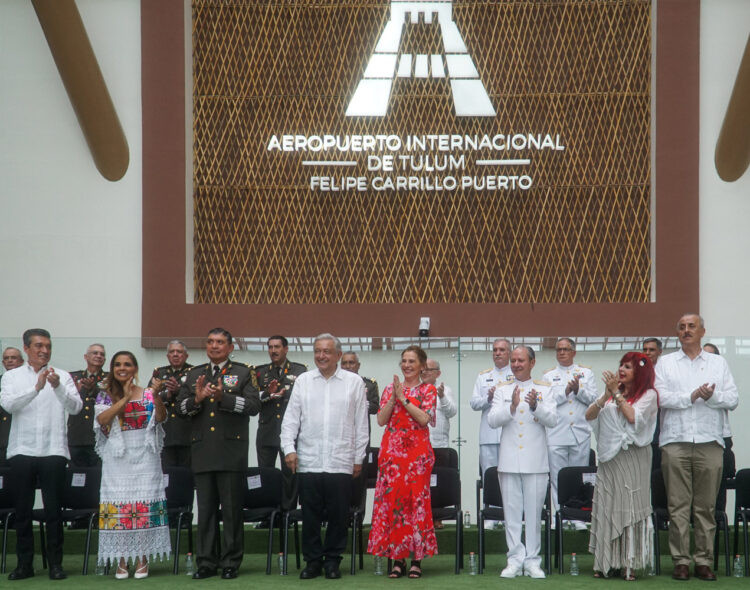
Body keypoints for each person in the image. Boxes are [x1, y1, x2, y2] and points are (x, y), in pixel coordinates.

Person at [655, 313, 738, 581]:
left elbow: (733, 398)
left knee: (705, 506)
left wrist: (712, 396)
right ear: (677, 333)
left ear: (703, 331)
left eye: (692, 326)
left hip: (709, 441)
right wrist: (690, 396)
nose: (686, 330)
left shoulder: (718, 362)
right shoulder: (666, 363)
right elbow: (660, 396)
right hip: (675, 440)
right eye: (682, 327)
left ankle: (704, 560)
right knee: (677, 505)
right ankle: (680, 560)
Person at [281, 334, 368, 580]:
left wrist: (358, 457)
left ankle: (332, 561)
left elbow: (361, 424)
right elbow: (290, 419)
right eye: (317, 351)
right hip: (308, 459)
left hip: (341, 459)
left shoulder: (354, 382)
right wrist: (289, 448)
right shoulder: (303, 381)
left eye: (327, 351)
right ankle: (312, 562)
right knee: (310, 515)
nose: (321, 356)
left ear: (338, 355)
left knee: (339, 515)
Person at [177, 328, 261, 580]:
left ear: (230, 347)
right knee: (206, 510)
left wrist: (224, 397)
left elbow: (253, 406)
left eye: (220, 342)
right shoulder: (194, 374)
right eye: (211, 342)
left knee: (232, 510)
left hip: (230, 452)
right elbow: (181, 409)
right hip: (202, 451)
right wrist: (198, 399)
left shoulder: (244, 372)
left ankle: (230, 562)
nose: (215, 346)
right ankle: (206, 562)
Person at [0, 329, 82, 580]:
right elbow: (9, 404)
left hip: (53, 450)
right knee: (23, 511)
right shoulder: (11, 376)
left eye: (47, 346)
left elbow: (76, 408)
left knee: (53, 510)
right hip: (22, 450)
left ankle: (56, 564)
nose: (44, 350)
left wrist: (56, 387)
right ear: (26, 348)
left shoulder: (64, 376)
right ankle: (25, 565)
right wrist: (36, 388)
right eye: (38, 346)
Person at [94, 351, 172, 579]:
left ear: (135, 369)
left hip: (145, 458)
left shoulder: (148, 393)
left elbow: (160, 417)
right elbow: (103, 420)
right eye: (117, 364)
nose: (122, 368)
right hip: (117, 461)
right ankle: (121, 558)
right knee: (121, 510)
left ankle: (142, 558)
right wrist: (125, 398)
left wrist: (157, 396)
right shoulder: (104, 395)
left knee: (142, 509)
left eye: (127, 364)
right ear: (112, 368)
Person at [585, 352, 658, 580]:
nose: (622, 370)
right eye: (621, 365)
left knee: (630, 508)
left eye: (628, 366)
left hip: (633, 458)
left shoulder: (649, 395)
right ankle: (605, 563)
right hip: (609, 460)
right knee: (608, 507)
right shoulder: (610, 393)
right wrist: (605, 396)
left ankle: (628, 563)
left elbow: (633, 417)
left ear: (640, 371)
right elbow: (589, 415)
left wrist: (615, 394)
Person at [368, 345, 438, 579]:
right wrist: (393, 398)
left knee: (415, 504)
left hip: (417, 454)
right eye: (404, 361)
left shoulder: (428, 390)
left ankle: (416, 560)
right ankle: (397, 560)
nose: (407, 365)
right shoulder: (390, 388)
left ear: (421, 365)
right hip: (392, 454)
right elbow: (380, 420)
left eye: (411, 361)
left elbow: (423, 419)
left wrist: (403, 399)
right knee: (395, 504)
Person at [488, 346, 557, 579]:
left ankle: (532, 561)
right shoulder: (502, 389)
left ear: (532, 363)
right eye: (514, 360)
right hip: (508, 461)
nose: (516, 364)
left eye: (521, 360)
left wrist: (536, 406)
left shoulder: (544, 390)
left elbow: (553, 420)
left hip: (536, 461)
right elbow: (492, 420)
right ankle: (515, 559)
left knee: (534, 514)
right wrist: (512, 407)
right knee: (512, 514)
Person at [543, 338, 597, 531]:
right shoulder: (549, 376)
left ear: (574, 352)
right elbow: (547, 403)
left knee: (579, 476)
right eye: (559, 350)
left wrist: (578, 390)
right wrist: (566, 391)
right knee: (557, 477)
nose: (562, 353)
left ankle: (577, 516)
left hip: (580, 432)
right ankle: (559, 516)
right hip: (557, 433)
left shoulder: (586, 373)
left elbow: (594, 400)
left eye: (566, 349)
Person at [254, 335, 306, 511]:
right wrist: (268, 394)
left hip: (290, 432)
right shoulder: (259, 372)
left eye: (277, 347)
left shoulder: (299, 370)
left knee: (289, 473)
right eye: (270, 347)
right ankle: (267, 513)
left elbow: (305, 398)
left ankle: (288, 513)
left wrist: (285, 394)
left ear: (286, 349)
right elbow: (252, 400)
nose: (273, 351)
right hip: (267, 430)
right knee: (265, 473)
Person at [471, 338, 513, 495]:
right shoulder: (483, 376)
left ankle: (508, 512)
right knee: (489, 475)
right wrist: (488, 398)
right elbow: (474, 403)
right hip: (488, 435)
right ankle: (490, 512)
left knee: (510, 475)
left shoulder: (516, 374)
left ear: (509, 352)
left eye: (502, 350)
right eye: (495, 350)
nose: (498, 353)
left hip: (510, 433)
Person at [149, 340, 193, 469]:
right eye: (172, 352)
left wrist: (178, 391)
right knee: (167, 479)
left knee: (186, 479)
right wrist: (166, 395)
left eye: (179, 352)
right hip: (165, 434)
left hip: (187, 435)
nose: (175, 354)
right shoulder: (159, 373)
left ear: (186, 355)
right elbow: (149, 397)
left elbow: (197, 398)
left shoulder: (194, 373)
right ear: (167, 356)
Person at [68, 343, 108, 467]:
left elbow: (110, 401)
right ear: (86, 357)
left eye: (102, 354)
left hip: (99, 437)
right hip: (76, 435)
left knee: (97, 478)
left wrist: (94, 390)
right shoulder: (74, 377)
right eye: (95, 353)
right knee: (75, 478)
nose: (98, 356)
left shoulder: (110, 378)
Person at [0, 347, 24, 466]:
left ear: (22, 361)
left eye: (13, 358)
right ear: (3, 363)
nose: (10, 360)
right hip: (2, 440)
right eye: (6, 358)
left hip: (23, 441)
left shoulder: (30, 382)